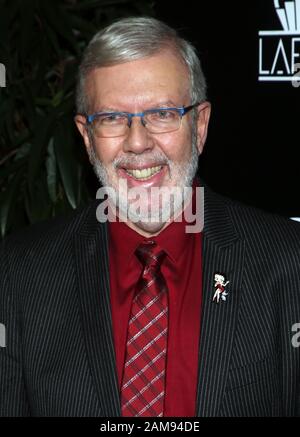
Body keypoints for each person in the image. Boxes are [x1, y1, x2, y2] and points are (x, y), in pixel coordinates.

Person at [1, 16, 300, 418]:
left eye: (162, 113)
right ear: (86, 137)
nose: (138, 143)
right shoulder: (19, 273)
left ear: (200, 126)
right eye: (111, 119)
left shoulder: (287, 261)